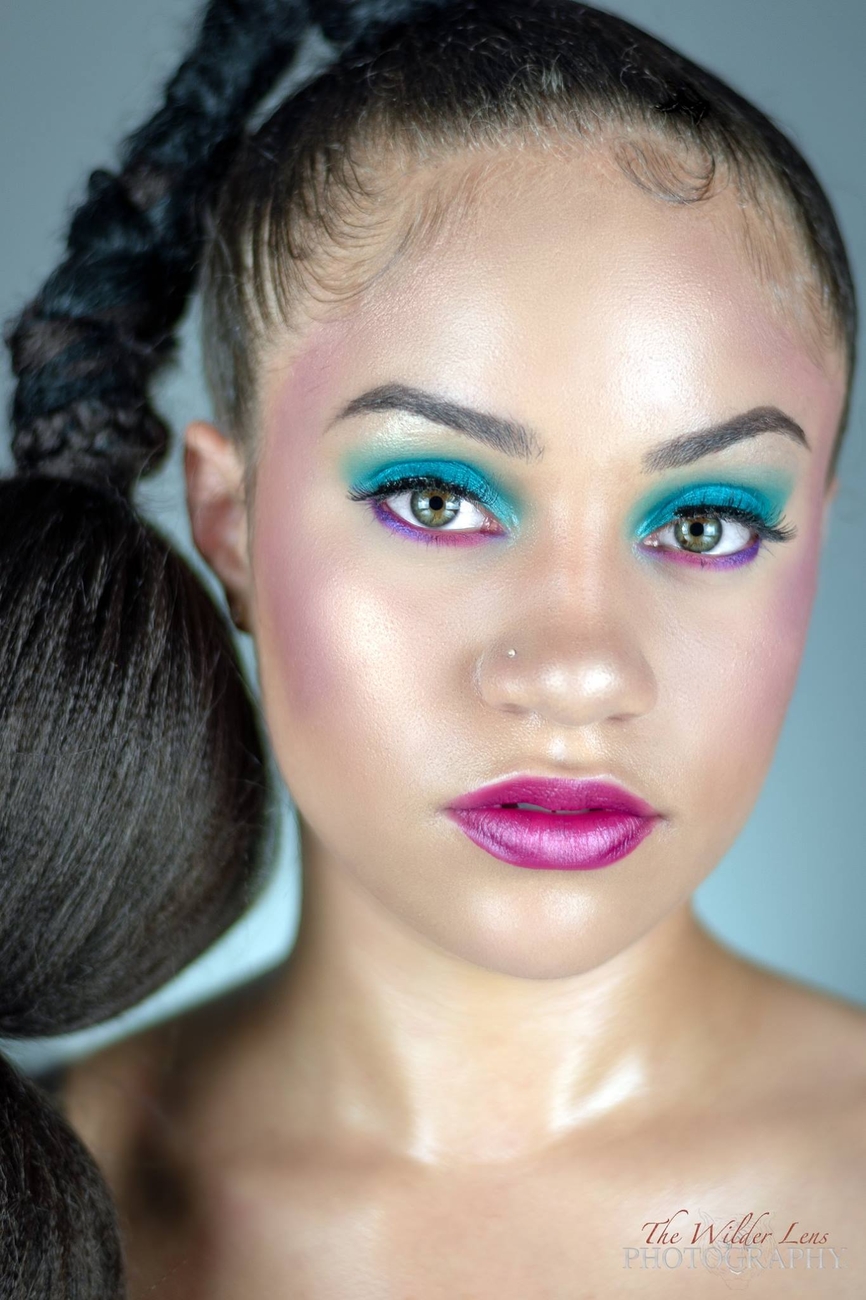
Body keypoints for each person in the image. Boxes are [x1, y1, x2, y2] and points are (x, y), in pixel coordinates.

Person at [2, 0, 864, 1294]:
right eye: (435, 501)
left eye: (703, 521)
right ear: (231, 527)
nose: (578, 669)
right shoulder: (56, 1189)